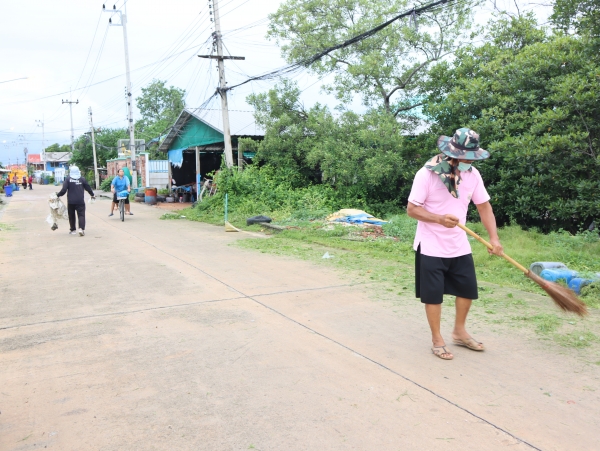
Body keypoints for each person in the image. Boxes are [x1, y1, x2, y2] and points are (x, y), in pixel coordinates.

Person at [406, 128, 503, 361]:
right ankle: (437, 339)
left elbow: (484, 207)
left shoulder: (473, 175)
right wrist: (439, 219)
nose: (469, 162)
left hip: (459, 244)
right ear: (452, 153)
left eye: (472, 157)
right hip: (430, 245)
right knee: (433, 296)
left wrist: (494, 239)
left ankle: (459, 332)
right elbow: (412, 209)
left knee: (467, 290)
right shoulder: (426, 174)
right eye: (465, 157)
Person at [56, 165, 95, 236]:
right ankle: (81, 229)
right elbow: (88, 188)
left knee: (71, 215)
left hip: (71, 201)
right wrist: (92, 194)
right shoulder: (82, 179)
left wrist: (57, 195)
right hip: (80, 201)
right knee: (81, 215)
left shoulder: (68, 179)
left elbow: (63, 190)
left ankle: (73, 230)